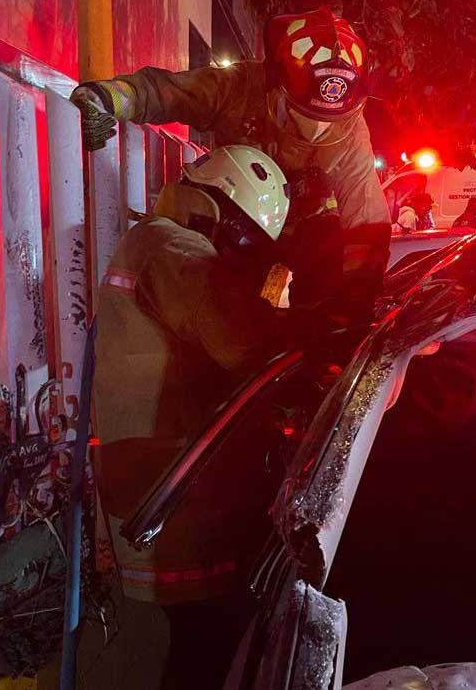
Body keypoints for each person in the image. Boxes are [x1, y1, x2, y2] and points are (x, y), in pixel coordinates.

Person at [91, 145, 305, 688]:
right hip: (172, 499)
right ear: (217, 210)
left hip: (160, 489)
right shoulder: (175, 247)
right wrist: (311, 322)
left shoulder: (152, 243)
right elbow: (244, 342)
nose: (242, 252)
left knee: (190, 651)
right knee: (200, 655)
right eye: (244, 237)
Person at [70, 6, 390, 322]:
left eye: (329, 123)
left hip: (305, 233)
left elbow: (366, 216)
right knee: (228, 311)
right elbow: (167, 93)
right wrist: (103, 97)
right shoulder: (238, 88)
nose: (316, 131)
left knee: (327, 276)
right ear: (273, 83)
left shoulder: (351, 128)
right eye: (299, 115)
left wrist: (359, 293)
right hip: (239, 229)